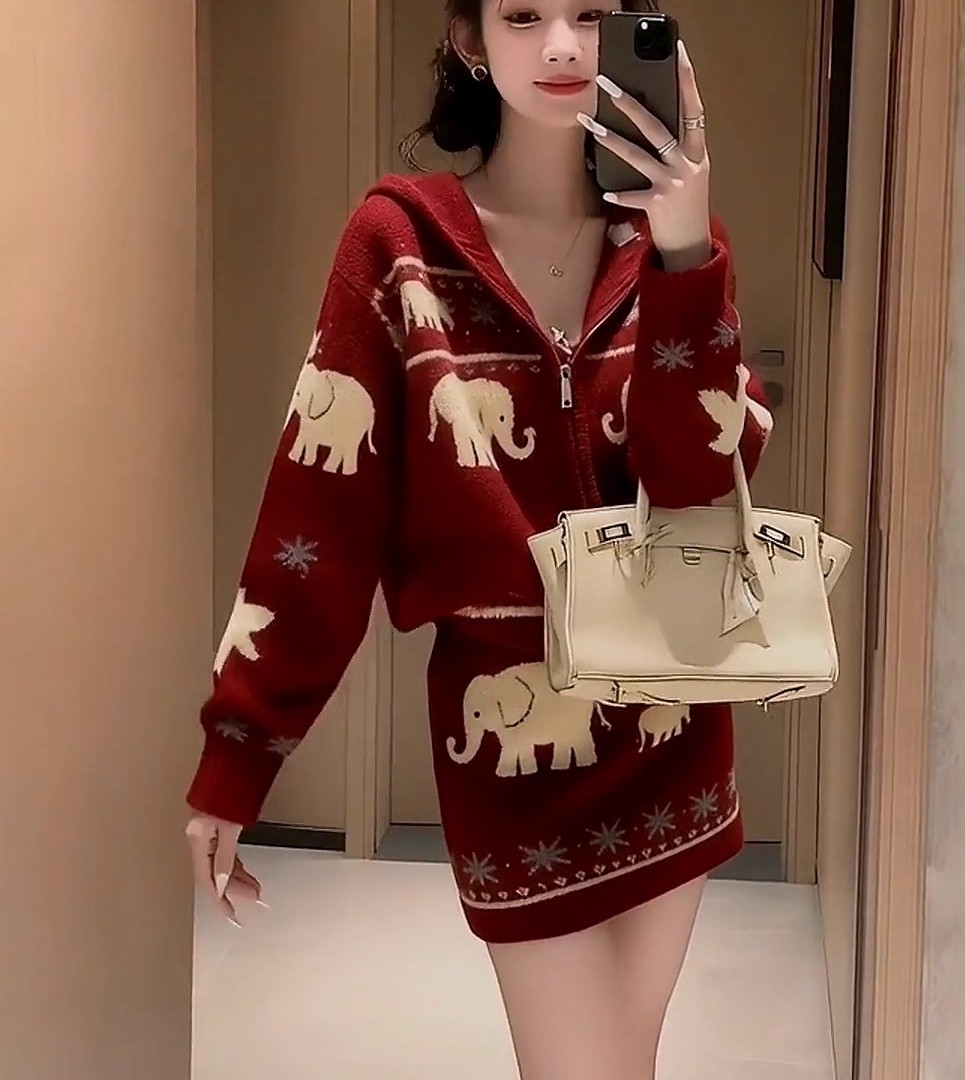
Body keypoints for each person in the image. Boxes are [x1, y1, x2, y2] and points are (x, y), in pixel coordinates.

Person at [184, 1, 773, 1077]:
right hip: (514, 755)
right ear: (468, 38)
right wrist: (241, 749)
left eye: (590, 14)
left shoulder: (671, 243)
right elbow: (319, 511)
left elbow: (701, 485)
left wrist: (688, 249)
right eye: (523, 13)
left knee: (621, 1067)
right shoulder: (397, 247)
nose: (561, 45)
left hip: (673, 729)